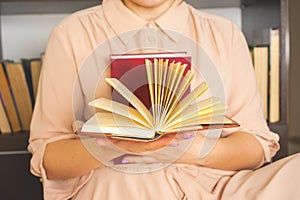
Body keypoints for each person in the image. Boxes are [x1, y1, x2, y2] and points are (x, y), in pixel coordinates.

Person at [28, 0, 300, 199]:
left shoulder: (224, 33)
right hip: (118, 186)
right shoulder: (73, 32)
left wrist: (194, 151)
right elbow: (49, 157)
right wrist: (112, 148)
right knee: (131, 178)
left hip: (214, 188)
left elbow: (255, 145)